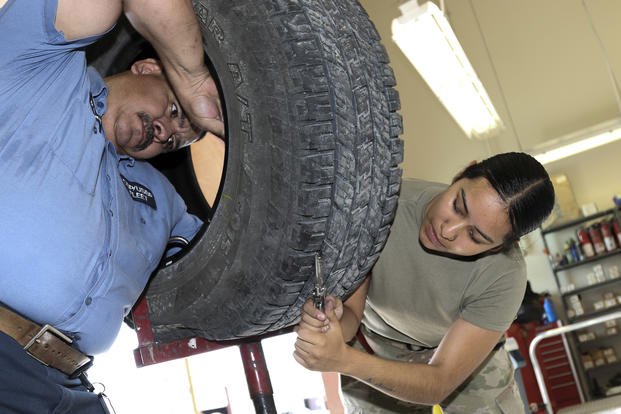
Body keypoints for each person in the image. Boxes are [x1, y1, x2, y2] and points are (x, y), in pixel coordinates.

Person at [0, 0, 222, 412]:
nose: (163, 131)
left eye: (173, 140)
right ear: (148, 67)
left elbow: (236, 261)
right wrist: (193, 79)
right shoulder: (38, 66)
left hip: (69, 387)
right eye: (174, 111)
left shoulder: (164, 200)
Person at [294, 152, 555, 413]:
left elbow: (439, 381)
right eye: (457, 206)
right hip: (376, 345)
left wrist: (343, 360)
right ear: (462, 172)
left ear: (502, 246)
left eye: (475, 236)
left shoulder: (504, 275)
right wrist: (331, 326)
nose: (447, 231)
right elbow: (350, 315)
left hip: (465, 365)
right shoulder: (382, 207)